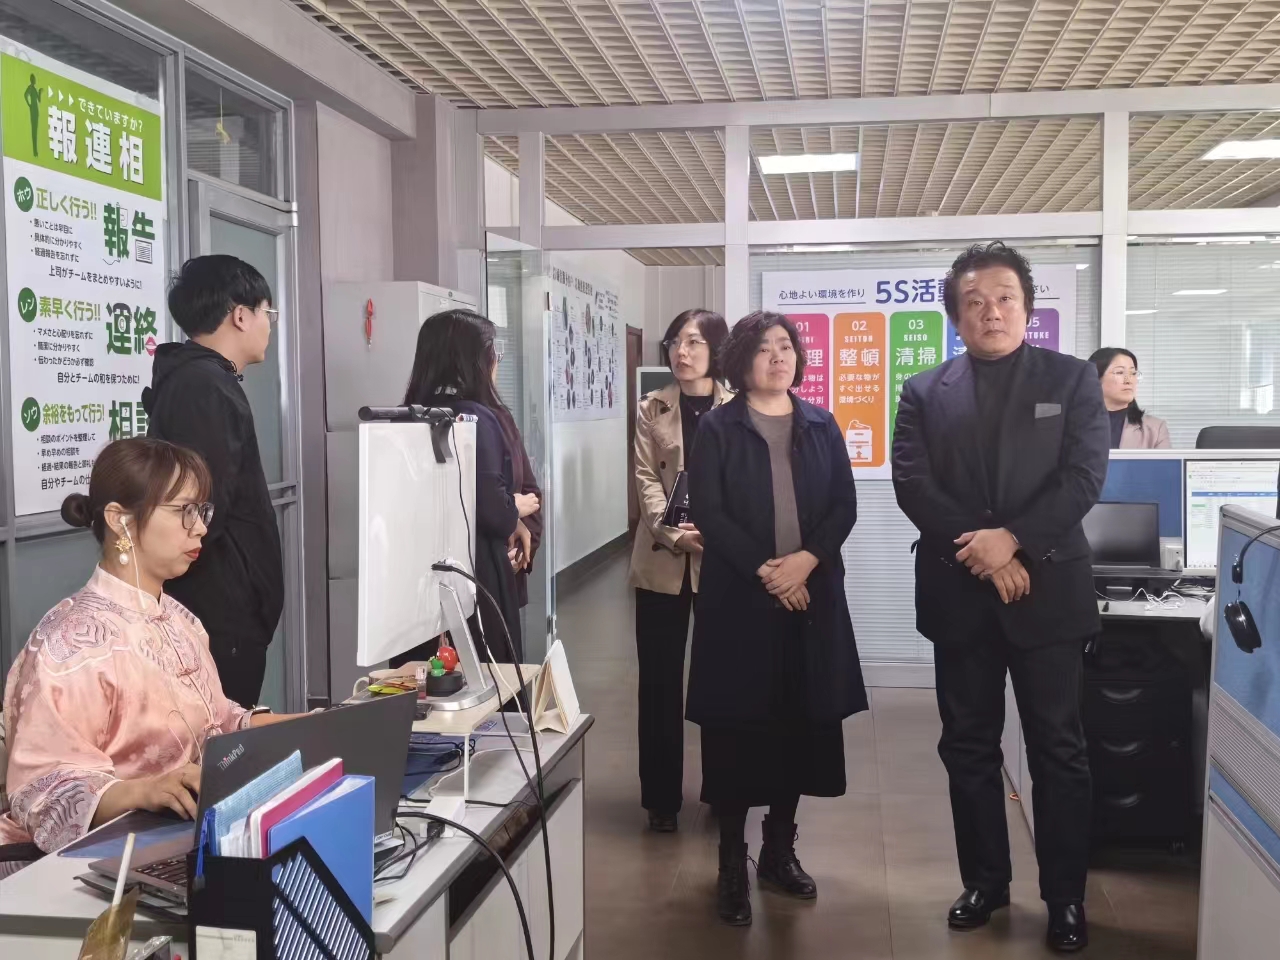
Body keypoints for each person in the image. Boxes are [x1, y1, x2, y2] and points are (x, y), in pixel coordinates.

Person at [892, 241, 1109, 953]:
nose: (992, 311)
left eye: (1005, 298)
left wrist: (1014, 540)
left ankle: (1066, 897)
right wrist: (987, 555)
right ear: (956, 315)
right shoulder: (924, 391)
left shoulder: (1071, 380)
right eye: (975, 301)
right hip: (961, 597)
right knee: (968, 746)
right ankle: (985, 881)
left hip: (1047, 594)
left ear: (1027, 306)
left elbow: (1083, 477)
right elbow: (913, 484)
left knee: (1059, 750)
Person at [0, 439, 299, 856]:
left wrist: (310, 726)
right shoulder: (71, 645)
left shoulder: (180, 619)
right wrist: (143, 791)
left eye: (202, 511)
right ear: (119, 520)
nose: (200, 528)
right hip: (89, 857)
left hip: (175, 835)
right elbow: (44, 789)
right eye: (184, 511)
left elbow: (217, 724)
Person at [687, 311, 865, 927]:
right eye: (764, 348)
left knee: (798, 725)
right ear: (741, 360)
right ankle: (730, 865)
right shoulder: (718, 426)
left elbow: (844, 504)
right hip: (741, 603)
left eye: (785, 346)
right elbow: (710, 510)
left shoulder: (820, 423)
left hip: (810, 599)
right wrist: (770, 573)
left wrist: (806, 562)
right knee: (737, 735)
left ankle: (778, 852)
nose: (777, 357)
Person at [143, 255, 283, 709]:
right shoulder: (204, 387)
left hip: (222, 610)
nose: (269, 325)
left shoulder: (204, 379)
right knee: (221, 739)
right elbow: (203, 509)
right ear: (241, 315)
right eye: (268, 312)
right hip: (218, 612)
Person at [629, 308, 731, 834]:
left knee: (721, 679)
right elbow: (646, 478)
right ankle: (661, 799)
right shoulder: (652, 406)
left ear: (717, 349)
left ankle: (724, 789)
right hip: (661, 560)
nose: (681, 352)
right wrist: (674, 532)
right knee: (659, 682)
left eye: (693, 342)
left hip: (721, 562)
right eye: (674, 342)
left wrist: (718, 533)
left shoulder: (738, 406)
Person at [394, 309, 538, 666]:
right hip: (475, 577)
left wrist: (515, 516)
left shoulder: (405, 416)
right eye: (493, 352)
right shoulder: (477, 418)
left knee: (425, 676)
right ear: (475, 358)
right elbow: (491, 508)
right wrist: (514, 509)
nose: (496, 361)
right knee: (485, 677)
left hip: (413, 579)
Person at [1088, 347, 1170, 449]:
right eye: (1119, 372)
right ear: (1095, 378)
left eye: (1133, 373)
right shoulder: (1074, 424)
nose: (1128, 380)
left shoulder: (1155, 428)